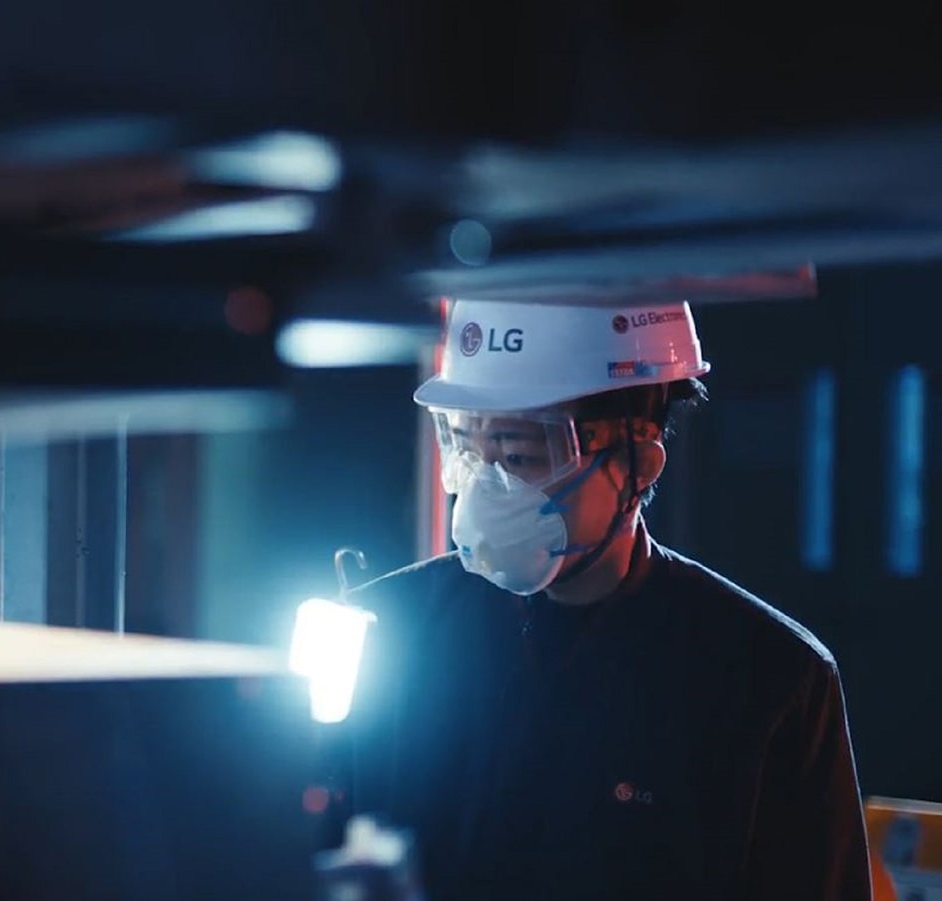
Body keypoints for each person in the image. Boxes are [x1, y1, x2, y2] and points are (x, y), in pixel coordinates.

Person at [330, 298, 872, 900]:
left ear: (639, 466)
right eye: (466, 449)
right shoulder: (388, 631)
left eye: (518, 456)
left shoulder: (765, 678)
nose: (486, 491)